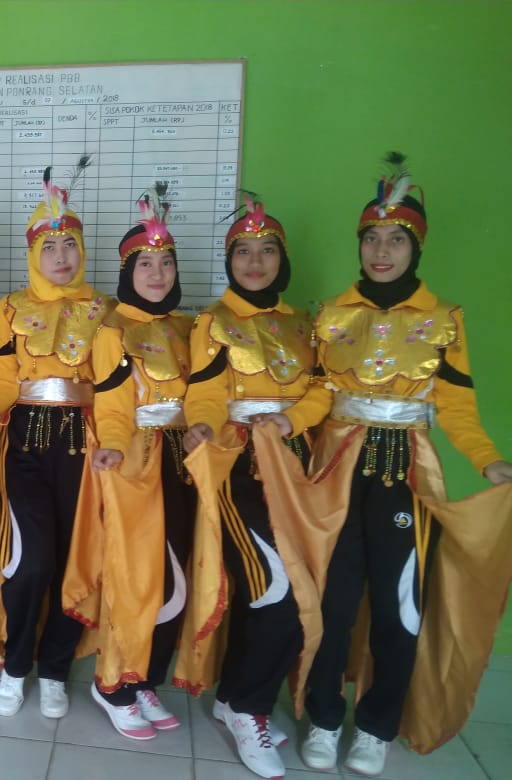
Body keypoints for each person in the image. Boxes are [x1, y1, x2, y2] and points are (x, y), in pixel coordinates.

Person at [300, 153, 512, 776]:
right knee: (332, 602)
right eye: (372, 238)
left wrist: (489, 461)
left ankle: (376, 726)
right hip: (336, 470)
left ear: (416, 247)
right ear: (359, 244)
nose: (382, 251)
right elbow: (318, 394)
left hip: (407, 474)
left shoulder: (444, 319)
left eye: (396, 240)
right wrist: (286, 422)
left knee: (401, 606)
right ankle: (322, 716)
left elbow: (459, 408)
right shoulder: (330, 315)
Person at [0, 158, 110, 720]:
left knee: (72, 560)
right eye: (49, 248)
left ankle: (56, 669)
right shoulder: (12, 308)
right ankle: (16, 665)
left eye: (70, 247)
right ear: (33, 254)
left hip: (83, 446)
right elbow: (4, 381)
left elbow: (112, 388)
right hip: (25, 446)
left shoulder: (103, 310)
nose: (61, 258)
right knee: (31, 560)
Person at [176, 196, 330, 779]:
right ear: (229, 260)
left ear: (282, 259)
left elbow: (323, 391)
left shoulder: (304, 323)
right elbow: (205, 393)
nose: (256, 261)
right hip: (238, 470)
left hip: (298, 472)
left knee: (271, 593)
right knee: (279, 593)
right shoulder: (213, 322)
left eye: (267, 250)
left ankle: (232, 698)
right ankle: (248, 711)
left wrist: (291, 420)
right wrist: (202, 425)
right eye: (243, 251)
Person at [76, 184, 195, 739]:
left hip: (184, 461)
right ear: (127, 271)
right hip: (136, 462)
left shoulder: (189, 328)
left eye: (166, 262)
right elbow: (113, 404)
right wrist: (116, 446)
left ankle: (145, 675)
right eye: (145, 263)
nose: (157, 273)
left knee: (176, 572)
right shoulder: (113, 331)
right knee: (133, 575)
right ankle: (112, 684)